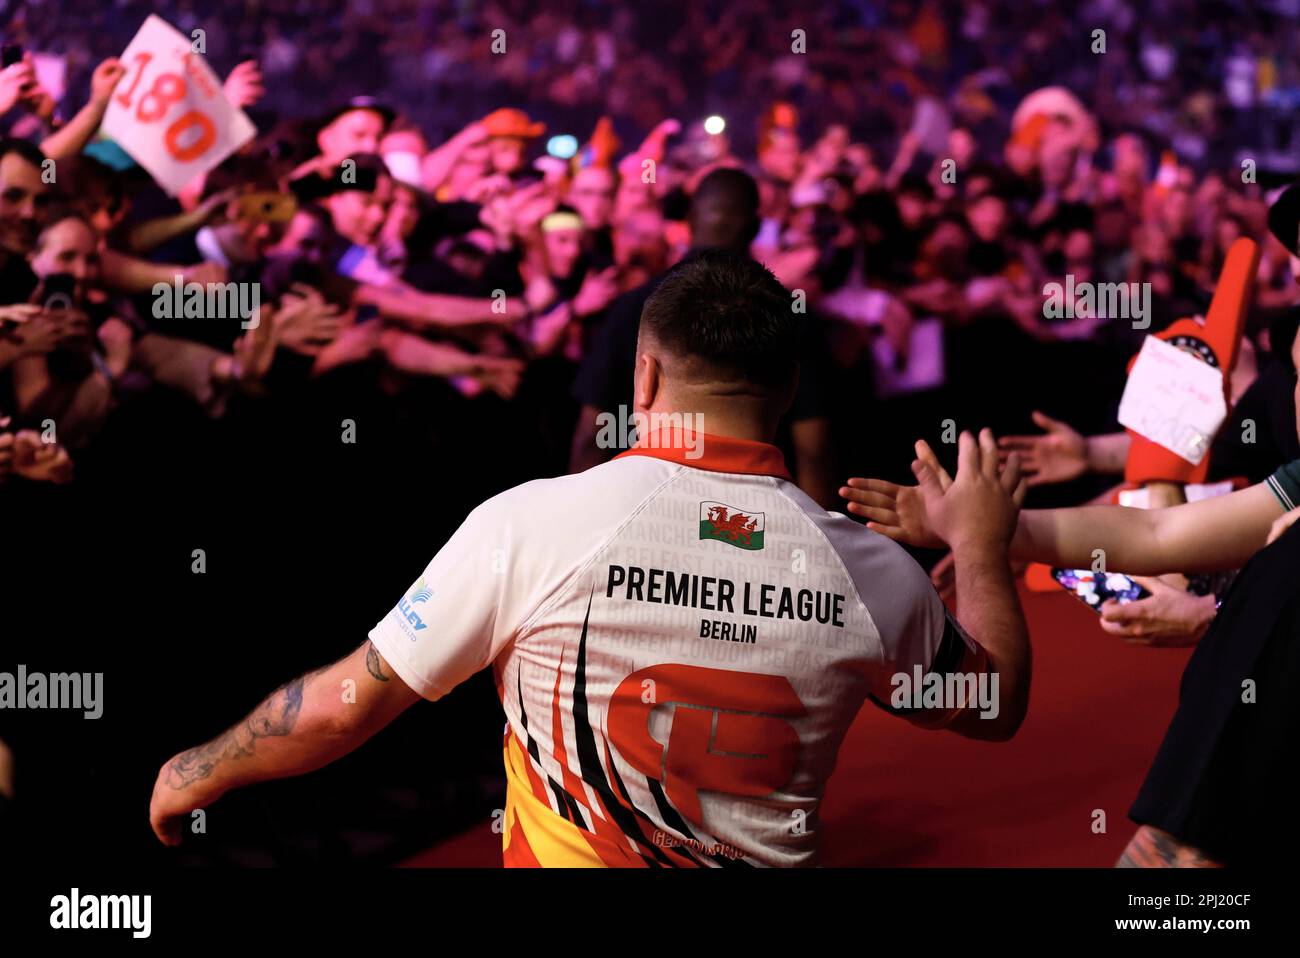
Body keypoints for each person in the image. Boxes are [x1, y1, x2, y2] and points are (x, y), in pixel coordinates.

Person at [150, 250, 1032, 866]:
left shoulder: (530, 524)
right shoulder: (869, 571)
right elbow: (990, 707)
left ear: (643, 379)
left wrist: (196, 770)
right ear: (788, 387)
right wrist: (980, 547)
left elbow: (344, 709)